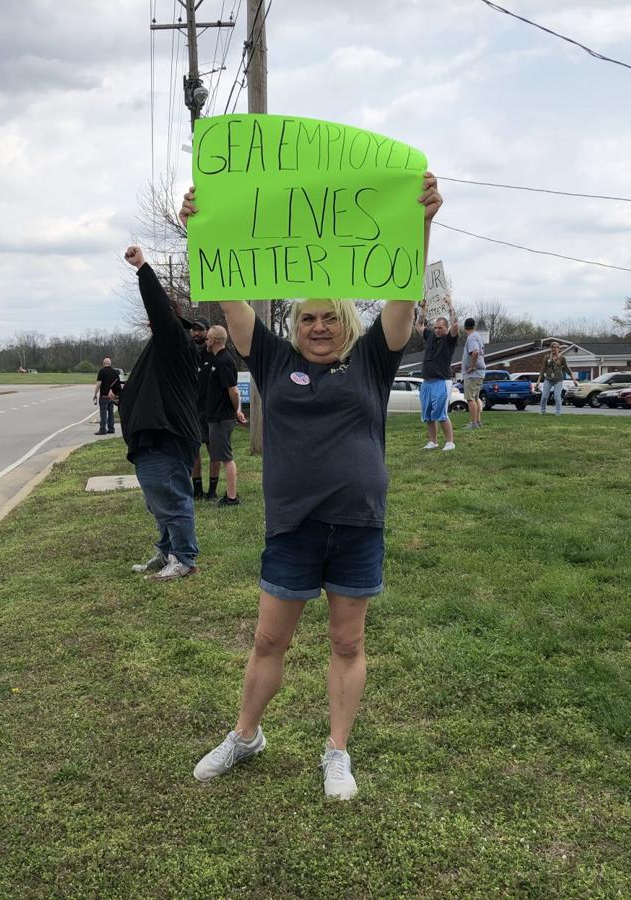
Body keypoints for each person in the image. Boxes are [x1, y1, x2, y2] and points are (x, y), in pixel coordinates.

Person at [181, 172, 442, 800]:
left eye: (329, 318)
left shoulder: (374, 359)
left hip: (356, 524)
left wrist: (421, 223)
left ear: (347, 322)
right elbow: (231, 300)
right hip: (293, 527)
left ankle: (337, 752)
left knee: (346, 641)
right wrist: (201, 228)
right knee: (270, 638)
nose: (318, 327)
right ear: (294, 326)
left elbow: (403, 295)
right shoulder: (274, 360)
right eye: (307, 319)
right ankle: (246, 736)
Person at [119, 245, 202, 581]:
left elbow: (159, 307)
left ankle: (184, 559)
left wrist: (143, 269)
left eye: (159, 317)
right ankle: (168, 551)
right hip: (154, 437)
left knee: (170, 497)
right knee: (158, 501)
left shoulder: (175, 342)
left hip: (167, 437)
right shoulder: (161, 349)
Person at [202, 325, 248, 506]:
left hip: (223, 417)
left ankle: (232, 497)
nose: (206, 341)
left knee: (226, 458)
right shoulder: (216, 359)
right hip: (215, 416)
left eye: (208, 339)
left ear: (213, 340)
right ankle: (230, 495)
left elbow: (234, 391)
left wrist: (236, 411)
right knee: (221, 456)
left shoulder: (225, 360)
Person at [417, 295, 458, 450]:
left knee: (441, 414)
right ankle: (433, 442)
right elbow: (419, 326)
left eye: (440, 327)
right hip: (427, 382)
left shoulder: (449, 339)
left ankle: (450, 442)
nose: (436, 330)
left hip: (442, 381)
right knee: (428, 415)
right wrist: (422, 309)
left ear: (445, 329)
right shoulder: (430, 337)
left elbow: (455, 325)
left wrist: (450, 305)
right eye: (435, 327)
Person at [186, 318, 215, 499]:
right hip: (191, 410)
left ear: (207, 332)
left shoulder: (214, 353)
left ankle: (212, 489)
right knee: (194, 451)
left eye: (200, 330)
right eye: (194, 330)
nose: (196, 333)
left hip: (211, 410)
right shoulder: (188, 352)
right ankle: (197, 490)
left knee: (215, 451)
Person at [536, 341, 573, 415]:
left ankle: (558, 412)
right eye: (552, 347)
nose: (554, 349)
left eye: (555, 347)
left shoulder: (562, 358)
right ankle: (543, 411)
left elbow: (567, 369)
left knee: (557, 397)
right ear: (550, 348)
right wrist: (538, 381)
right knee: (544, 396)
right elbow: (542, 369)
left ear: (558, 349)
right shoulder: (546, 357)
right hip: (548, 379)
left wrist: (574, 379)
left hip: (558, 380)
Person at [461, 316, 485, 428]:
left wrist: (471, 366)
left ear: (465, 327)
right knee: (475, 398)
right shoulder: (477, 336)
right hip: (478, 374)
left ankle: (473, 423)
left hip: (473, 375)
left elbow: (475, 352)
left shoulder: (471, 338)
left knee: (470, 399)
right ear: (474, 326)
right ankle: (478, 421)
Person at [95, 357, 121, 435]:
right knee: (111, 413)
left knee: (103, 413)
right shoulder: (115, 372)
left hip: (104, 396)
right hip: (111, 396)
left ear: (104, 364)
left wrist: (95, 394)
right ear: (110, 363)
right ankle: (111, 428)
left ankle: (103, 429)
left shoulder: (101, 371)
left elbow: (99, 384)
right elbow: (118, 385)